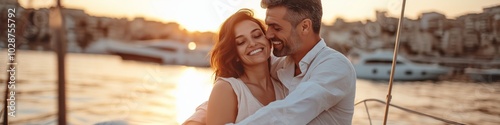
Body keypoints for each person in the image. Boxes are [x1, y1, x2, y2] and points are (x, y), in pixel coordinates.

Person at [185, 0, 357, 124]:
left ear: (304, 27)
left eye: (277, 27)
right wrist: (198, 119)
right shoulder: (282, 64)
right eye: (267, 26)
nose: (268, 35)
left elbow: (286, 114)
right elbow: (236, 89)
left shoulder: (334, 66)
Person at [182, 9, 288, 125]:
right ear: (235, 54)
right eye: (241, 42)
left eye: (257, 35)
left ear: (267, 40)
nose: (252, 43)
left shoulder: (283, 84)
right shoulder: (227, 88)